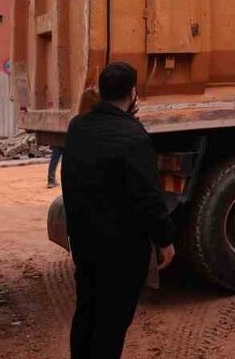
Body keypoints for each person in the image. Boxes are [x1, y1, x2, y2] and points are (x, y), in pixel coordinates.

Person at [62, 62, 176, 359]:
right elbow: (148, 197)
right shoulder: (134, 138)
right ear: (133, 93)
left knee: (86, 311)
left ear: (100, 91)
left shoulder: (77, 127)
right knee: (112, 323)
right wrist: (164, 240)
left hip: (85, 243)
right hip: (123, 251)